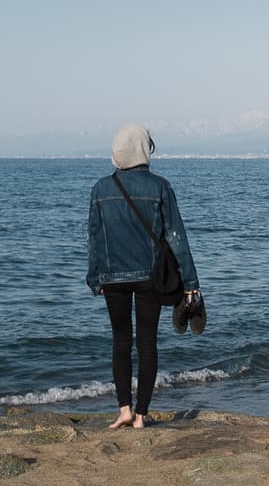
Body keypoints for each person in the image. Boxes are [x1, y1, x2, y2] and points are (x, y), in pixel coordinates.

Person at [86, 123, 200, 429]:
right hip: (151, 277)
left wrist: (94, 278)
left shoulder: (100, 189)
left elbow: (95, 239)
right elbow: (176, 238)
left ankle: (123, 409)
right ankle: (141, 414)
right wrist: (191, 283)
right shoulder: (159, 186)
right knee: (147, 344)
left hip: (112, 279)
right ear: (143, 149)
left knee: (120, 342)